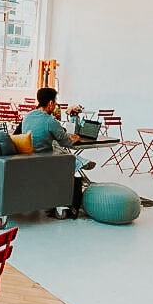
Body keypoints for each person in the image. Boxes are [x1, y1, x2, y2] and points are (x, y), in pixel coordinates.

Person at [21, 87, 95, 219]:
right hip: (46, 161)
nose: (54, 105)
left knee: (59, 150)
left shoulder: (28, 116)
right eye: (54, 102)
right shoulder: (50, 121)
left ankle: (80, 162)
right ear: (50, 103)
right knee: (67, 157)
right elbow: (66, 142)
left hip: (29, 158)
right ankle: (80, 162)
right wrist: (74, 137)